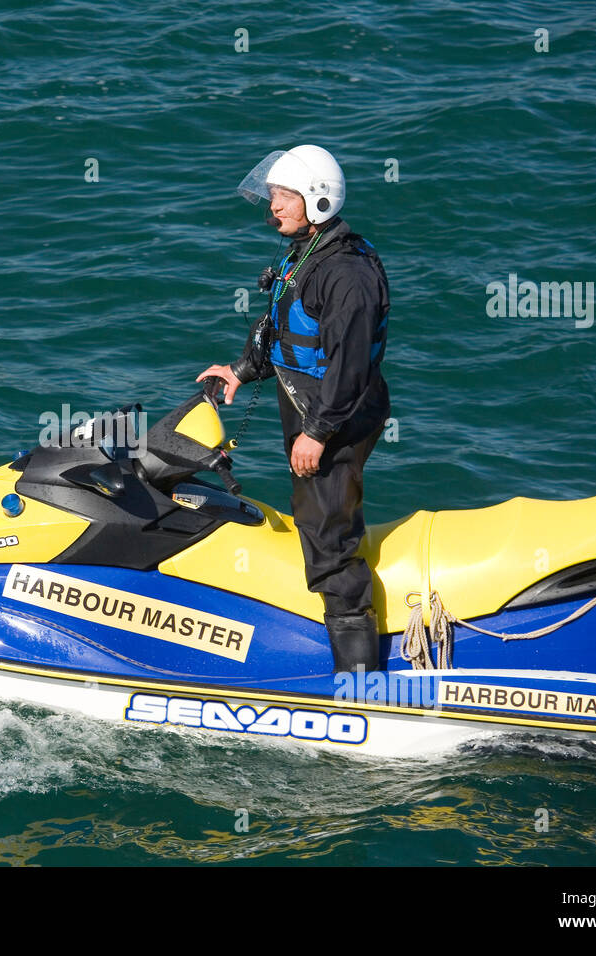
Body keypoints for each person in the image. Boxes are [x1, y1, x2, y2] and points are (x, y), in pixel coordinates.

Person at [198, 145, 390, 673]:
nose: (274, 207)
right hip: (313, 408)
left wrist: (319, 433)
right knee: (312, 510)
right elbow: (283, 328)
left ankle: (360, 680)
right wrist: (240, 370)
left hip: (336, 416)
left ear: (317, 201)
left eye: (284, 197)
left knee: (328, 529)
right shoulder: (306, 252)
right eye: (275, 195)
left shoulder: (345, 274)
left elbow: (350, 367)